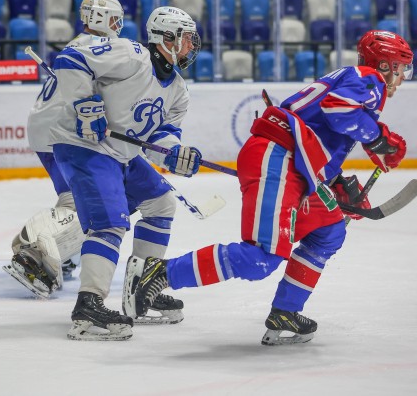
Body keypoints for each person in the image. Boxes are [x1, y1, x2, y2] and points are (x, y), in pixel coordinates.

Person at [128, 30, 413, 345]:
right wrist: (378, 139)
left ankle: (285, 311)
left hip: (293, 163)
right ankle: (163, 273)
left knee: (330, 230)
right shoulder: (369, 78)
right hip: (278, 157)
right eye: (401, 68)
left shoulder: (355, 82)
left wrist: (336, 182)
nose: (402, 77)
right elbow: (338, 111)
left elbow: (320, 128)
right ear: (385, 65)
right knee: (261, 259)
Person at [38, 3, 202, 340]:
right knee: (110, 223)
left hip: (122, 154)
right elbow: (72, 58)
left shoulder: (179, 90)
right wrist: (85, 104)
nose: (191, 45)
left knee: (162, 204)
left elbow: (161, 134)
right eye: (186, 38)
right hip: (84, 146)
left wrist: (175, 154)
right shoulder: (130, 55)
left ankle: (141, 289)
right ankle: (88, 306)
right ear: (166, 37)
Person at [3, 0, 125, 299]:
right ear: (101, 19)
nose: (117, 25)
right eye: (114, 19)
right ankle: (34, 249)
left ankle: (59, 249)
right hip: (62, 131)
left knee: (77, 196)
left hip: (45, 128)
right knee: (77, 198)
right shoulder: (100, 49)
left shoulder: (79, 46)